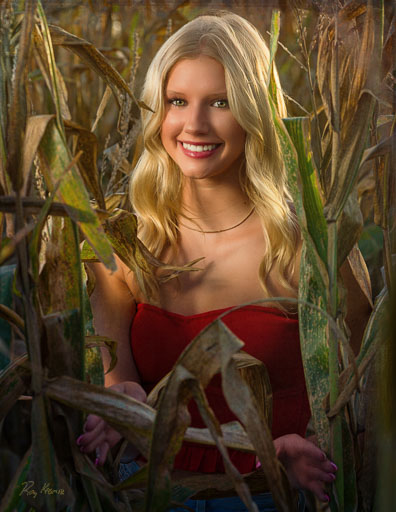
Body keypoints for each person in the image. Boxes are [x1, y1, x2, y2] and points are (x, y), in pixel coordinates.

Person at [76, 11, 371, 511]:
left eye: (220, 102)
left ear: (255, 111)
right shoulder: (123, 248)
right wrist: (119, 404)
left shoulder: (315, 248)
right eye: (177, 102)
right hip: (148, 490)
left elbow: (363, 400)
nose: (194, 124)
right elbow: (120, 380)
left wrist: (317, 453)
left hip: (270, 496)